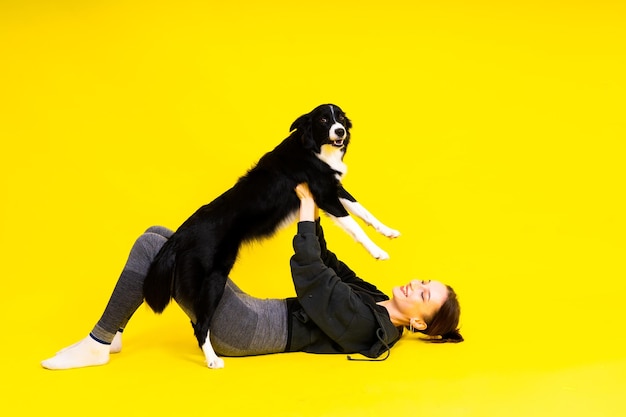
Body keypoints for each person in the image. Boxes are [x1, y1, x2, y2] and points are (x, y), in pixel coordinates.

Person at [41, 184, 462, 370]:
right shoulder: (374, 298)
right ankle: (114, 333)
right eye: (424, 280)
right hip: (257, 312)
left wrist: (306, 208)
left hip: (246, 331)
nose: (415, 283)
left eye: (423, 293)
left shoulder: (370, 326)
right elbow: (330, 264)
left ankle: (98, 341)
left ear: (419, 322)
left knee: (152, 249)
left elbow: (313, 277)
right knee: (163, 237)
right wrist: (317, 206)